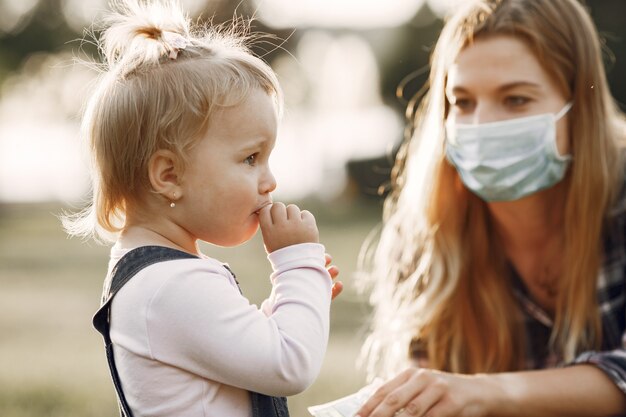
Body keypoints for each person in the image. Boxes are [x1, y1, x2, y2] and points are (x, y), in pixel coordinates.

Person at [63, 1, 342, 416]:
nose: (270, 181)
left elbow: (231, 365)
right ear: (169, 176)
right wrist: (296, 265)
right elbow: (288, 366)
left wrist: (290, 305)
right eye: (250, 158)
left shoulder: (163, 280)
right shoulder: (168, 287)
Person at [355, 0, 626, 416]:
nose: (481, 126)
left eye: (516, 100)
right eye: (462, 102)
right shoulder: (425, 234)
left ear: (579, 108)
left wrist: (486, 392)